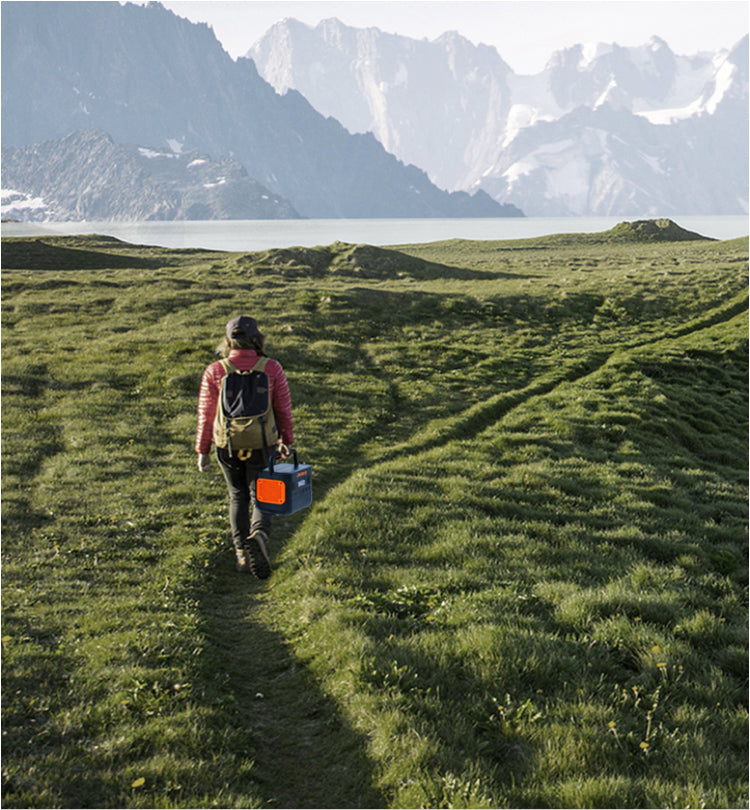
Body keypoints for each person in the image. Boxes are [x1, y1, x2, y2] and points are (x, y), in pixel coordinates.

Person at [196, 315, 294, 578]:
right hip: (263, 442)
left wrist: (202, 450)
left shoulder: (215, 371)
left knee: (238, 495)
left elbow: (206, 414)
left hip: (226, 443)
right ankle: (259, 536)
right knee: (265, 491)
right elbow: (283, 409)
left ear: (229, 340)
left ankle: (241, 555)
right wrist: (286, 441)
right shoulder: (271, 368)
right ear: (257, 337)